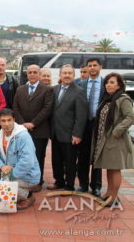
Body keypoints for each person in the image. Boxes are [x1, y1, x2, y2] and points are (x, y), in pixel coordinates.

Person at [92, 73, 134, 206]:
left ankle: (114, 197)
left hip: (116, 140)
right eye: (107, 82)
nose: (108, 85)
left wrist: (117, 131)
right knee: (109, 168)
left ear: (119, 85)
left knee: (115, 169)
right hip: (105, 139)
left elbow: (130, 117)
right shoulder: (108, 99)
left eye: (111, 82)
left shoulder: (123, 99)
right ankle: (109, 193)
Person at [0, 108, 40, 210]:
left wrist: (9, 175)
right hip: (8, 170)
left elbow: (27, 162)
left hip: (26, 175)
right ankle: (7, 187)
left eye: (9, 120)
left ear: (14, 120)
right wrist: (1, 167)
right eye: (3, 121)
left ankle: (28, 195)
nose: (7, 124)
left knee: (6, 188)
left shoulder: (23, 136)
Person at [13, 64, 54, 192]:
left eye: (35, 72)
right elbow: (15, 107)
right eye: (30, 72)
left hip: (39, 130)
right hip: (22, 130)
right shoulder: (20, 89)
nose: (32, 74)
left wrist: (33, 123)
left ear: (39, 74)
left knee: (38, 156)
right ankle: (23, 179)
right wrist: (23, 123)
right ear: (27, 74)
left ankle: (37, 181)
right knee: (22, 156)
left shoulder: (47, 90)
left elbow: (47, 109)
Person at [48, 64, 87, 191]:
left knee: (70, 162)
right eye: (64, 73)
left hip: (70, 134)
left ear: (74, 76)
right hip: (55, 133)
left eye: (70, 73)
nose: (67, 75)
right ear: (60, 75)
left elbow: (81, 116)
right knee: (56, 160)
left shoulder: (79, 92)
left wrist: (77, 134)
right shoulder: (54, 90)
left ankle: (69, 185)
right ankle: (58, 181)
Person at [77, 58, 105, 197]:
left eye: (95, 65)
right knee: (82, 156)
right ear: (87, 68)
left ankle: (96, 186)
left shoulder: (106, 85)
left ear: (100, 67)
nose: (92, 68)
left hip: (98, 124)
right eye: (90, 66)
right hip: (83, 125)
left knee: (96, 157)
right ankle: (83, 184)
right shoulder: (80, 84)